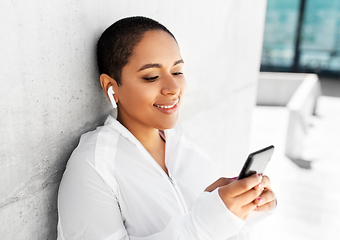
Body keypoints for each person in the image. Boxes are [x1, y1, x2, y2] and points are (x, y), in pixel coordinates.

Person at [57, 16, 277, 240]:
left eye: (177, 72)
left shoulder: (185, 146)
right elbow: (200, 229)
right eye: (151, 77)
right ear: (111, 87)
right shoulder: (94, 164)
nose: (173, 88)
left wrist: (241, 216)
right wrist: (201, 226)